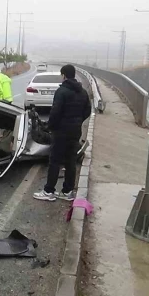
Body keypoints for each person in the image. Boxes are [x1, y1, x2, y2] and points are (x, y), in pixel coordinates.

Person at [34, 64, 91, 201]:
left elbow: (55, 113)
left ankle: (49, 191)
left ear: (64, 75)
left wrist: (50, 127)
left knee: (54, 160)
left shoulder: (62, 91)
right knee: (70, 161)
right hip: (75, 131)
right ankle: (67, 191)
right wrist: (77, 121)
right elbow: (87, 110)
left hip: (60, 132)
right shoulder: (82, 92)